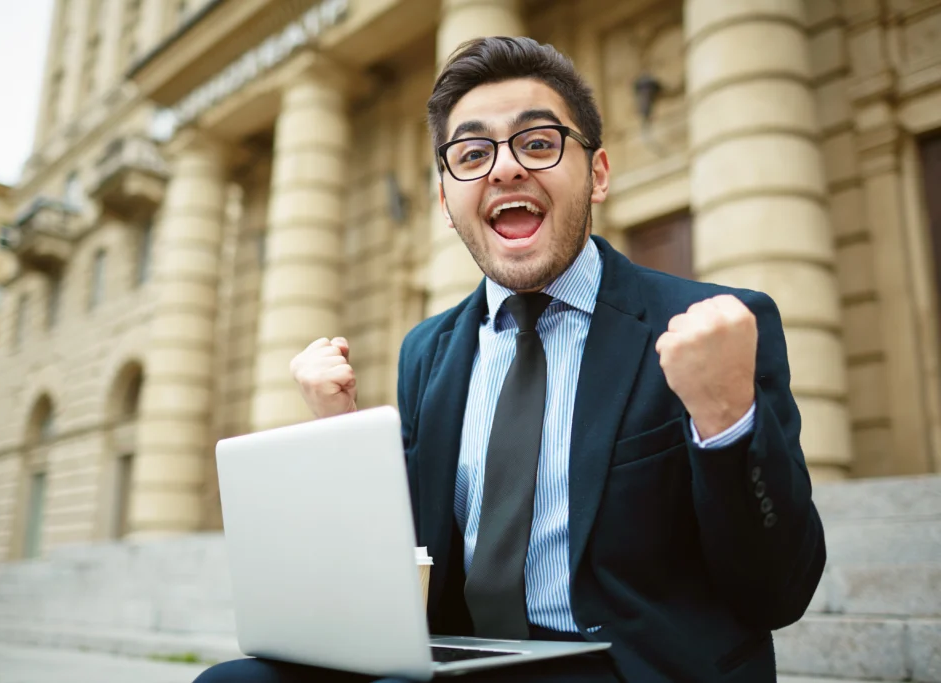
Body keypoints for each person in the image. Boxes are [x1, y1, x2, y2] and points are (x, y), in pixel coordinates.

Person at [196, 36, 825, 683]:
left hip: (624, 666)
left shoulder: (718, 327)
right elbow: (403, 570)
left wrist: (725, 419)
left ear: (599, 173)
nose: (503, 169)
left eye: (538, 142)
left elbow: (778, 592)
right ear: (445, 201)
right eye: (472, 153)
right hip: (464, 655)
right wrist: (341, 436)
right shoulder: (427, 351)